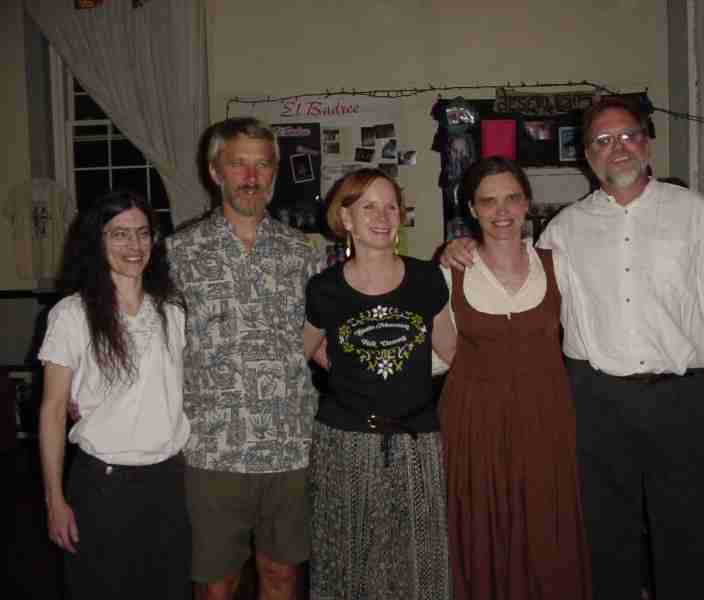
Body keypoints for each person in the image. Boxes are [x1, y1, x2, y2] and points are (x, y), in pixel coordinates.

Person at [441, 97, 704, 600]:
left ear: (647, 144)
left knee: (688, 541)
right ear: (587, 155)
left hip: (678, 400)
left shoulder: (693, 214)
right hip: (595, 405)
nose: (618, 149)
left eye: (628, 136)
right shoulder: (565, 230)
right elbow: (519, 283)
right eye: (603, 141)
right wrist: (457, 247)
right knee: (605, 542)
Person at [166, 117, 325, 600]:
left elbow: (323, 344)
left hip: (290, 446)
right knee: (216, 585)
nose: (252, 178)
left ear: (276, 171)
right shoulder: (178, 252)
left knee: (281, 576)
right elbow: (152, 344)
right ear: (215, 171)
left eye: (262, 165)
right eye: (239, 165)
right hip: (212, 450)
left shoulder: (304, 253)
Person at [437, 156, 591, 599]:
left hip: (546, 415)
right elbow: (444, 350)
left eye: (512, 198)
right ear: (471, 207)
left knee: (546, 525)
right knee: (483, 527)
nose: (501, 211)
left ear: (527, 204)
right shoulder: (450, 270)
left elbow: (584, 335)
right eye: (488, 201)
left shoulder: (558, 262)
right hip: (475, 420)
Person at [303, 168, 457, 600]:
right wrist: (333, 361)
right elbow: (301, 350)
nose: (383, 215)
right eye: (368, 205)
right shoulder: (325, 288)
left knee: (421, 567)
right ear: (345, 218)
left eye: (391, 205)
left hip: (417, 441)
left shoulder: (427, 279)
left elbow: (453, 351)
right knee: (346, 568)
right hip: (344, 442)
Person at [38, 190, 190, 600]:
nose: (134, 246)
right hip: (103, 486)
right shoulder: (72, 314)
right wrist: (55, 499)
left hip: (170, 483)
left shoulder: (173, 310)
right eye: (119, 234)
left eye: (143, 233)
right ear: (97, 240)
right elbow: (53, 410)